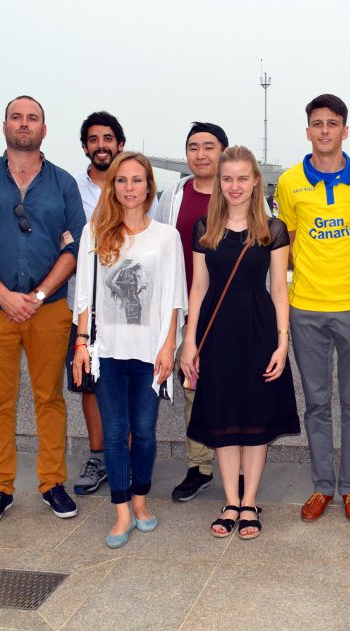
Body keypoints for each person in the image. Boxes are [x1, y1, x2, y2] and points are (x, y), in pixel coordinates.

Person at [0, 95, 84, 526]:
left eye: (33, 118)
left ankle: (52, 483)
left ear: (44, 130)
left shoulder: (63, 184)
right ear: (4, 125)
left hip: (48, 310)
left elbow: (75, 247)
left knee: (49, 399)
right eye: (16, 117)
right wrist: (5, 295)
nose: (24, 124)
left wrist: (40, 294)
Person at [180, 145, 299, 540]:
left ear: (254, 182)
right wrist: (189, 341)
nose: (234, 186)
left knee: (255, 420)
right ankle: (230, 500)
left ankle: (250, 502)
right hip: (217, 334)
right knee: (223, 418)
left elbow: (280, 290)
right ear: (220, 182)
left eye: (242, 178)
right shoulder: (204, 229)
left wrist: (283, 344)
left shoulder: (272, 230)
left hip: (259, 329)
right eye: (227, 178)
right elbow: (198, 289)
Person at [73, 152, 186, 548]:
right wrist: (81, 344)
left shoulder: (166, 237)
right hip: (107, 352)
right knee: (116, 432)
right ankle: (121, 510)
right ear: (113, 186)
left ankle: (141, 502)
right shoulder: (96, 232)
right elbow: (85, 294)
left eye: (137, 180)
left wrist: (169, 345)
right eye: (121, 180)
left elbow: (175, 297)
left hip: (150, 350)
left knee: (145, 432)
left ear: (149, 186)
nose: (129, 188)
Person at [274, 94, 350, 524]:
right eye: (316, 124)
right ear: (307, 131)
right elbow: (290, 248)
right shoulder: (288, 182)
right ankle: (322, 487)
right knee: (317, 403)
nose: (324, 131)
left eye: (332, 124)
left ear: (345, 130)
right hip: (306, 310)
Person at [67, 111, 159, 496]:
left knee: (140, 410)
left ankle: (135, 473)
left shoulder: (151, 205)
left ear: (119, 144)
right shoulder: (71, 189)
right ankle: (100, 457)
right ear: (85, 146)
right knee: (93, 387)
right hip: (88, 313)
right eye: (93, 139)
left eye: (108, 138)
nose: (100, 145)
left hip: (140, 319)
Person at [157, 122, 229, 501]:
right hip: (186, 306)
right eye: (193, 147)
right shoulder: (173, 194)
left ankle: (238, 467)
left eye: (209, 147)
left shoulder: (239, 190)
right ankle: (199, 466)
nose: (200, 155)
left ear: (223, 152)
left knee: (233, 385)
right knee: (192, 385)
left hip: (231, 306)